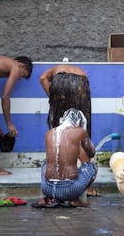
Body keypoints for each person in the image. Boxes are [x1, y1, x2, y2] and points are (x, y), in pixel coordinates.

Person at [39, 63, 98, 197]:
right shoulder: (81, 71)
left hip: (59, 83)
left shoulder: (55, 69)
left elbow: (43, 78)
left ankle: (54, 178)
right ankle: (87, 188)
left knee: (58, 132)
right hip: (81, 85)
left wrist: (53, 99)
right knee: (81, 132)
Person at [35, 108, 97, 208]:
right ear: (78, 122)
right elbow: (91, 153)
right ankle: (75, 199)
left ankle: (50, 198)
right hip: (69, 190)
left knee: (45, 164)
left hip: (47, 188)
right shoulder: (80, 131)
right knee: (92, 167)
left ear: (61, 120)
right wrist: (84, 131)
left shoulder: (49, 133)